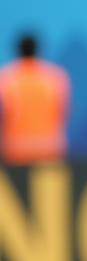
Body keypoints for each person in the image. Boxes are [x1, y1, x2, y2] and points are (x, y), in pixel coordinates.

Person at [0, 34, 71, 165]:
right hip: (49, 147)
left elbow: (4, 114)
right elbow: (63, 112)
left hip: (15, 148)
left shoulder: (6, 78)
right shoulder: (55, 77)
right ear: (38, 50)